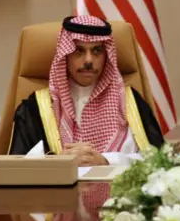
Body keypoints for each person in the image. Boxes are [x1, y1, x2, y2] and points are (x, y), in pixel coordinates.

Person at [8, 15, 164, 166]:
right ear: (66, 55)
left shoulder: (131, 103)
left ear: (107, 56)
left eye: (97, 51)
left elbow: (159, 162)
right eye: (79, 51)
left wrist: (106, 160)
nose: (89, 60)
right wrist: (57, 162)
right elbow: (16, 168)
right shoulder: (36, 107)